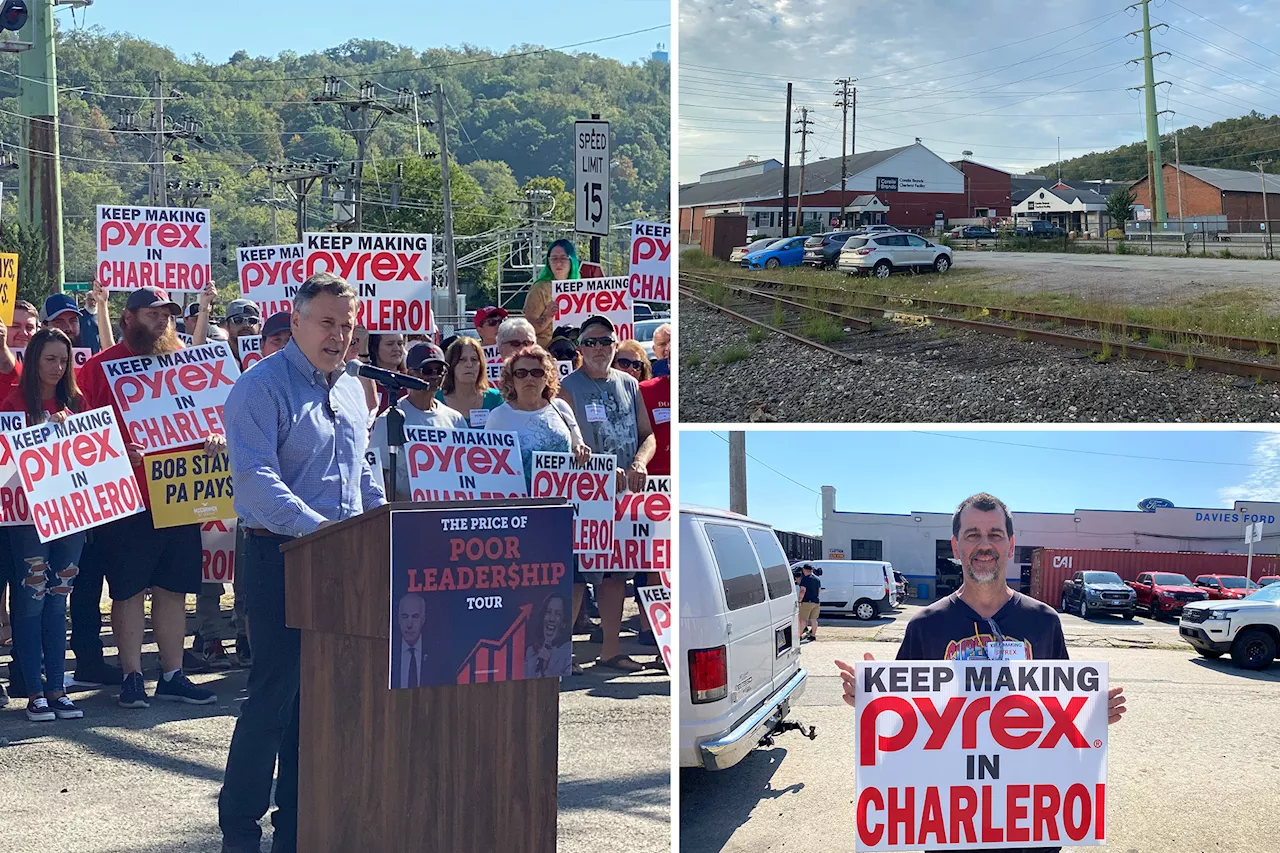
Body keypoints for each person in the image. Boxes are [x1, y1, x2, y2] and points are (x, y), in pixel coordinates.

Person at [836, 492, 1128, 853]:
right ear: (956, 546)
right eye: (973, 534)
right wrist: (871, 699)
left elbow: (1060, 713)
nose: (985, 544)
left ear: (1011, 546)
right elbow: (903, 724)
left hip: (1029, 819)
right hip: (951, 821)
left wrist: (1094, 714)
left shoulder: (1044, 621)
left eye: (995, 534)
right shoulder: (925, 626)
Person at [219, 272, 386, 853]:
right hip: (280, 557)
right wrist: (333, 535)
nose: (338, 335)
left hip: (341, 561)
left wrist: (379, 527)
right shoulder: (259, 387)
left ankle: (295, 829)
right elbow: (259, 486)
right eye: (326, 323)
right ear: (295, 322)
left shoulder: (352, 390)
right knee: (273, 699)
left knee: (319, 708)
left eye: (347, 324)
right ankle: (240, 831)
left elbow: (362, 473)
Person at [77, 286, 225, 708]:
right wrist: (117, 451)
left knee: (173, 589)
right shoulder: (100, 369)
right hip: (126, 499)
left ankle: (173, 674)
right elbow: (81, 433)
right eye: (152, 313)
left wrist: (214, 437)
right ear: (128, 318)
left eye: (168, 314)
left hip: (178, 493)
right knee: (127, 590)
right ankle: (131, 676)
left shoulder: (186, 364)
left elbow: (213, 415)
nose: (162, 320)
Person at [485, 345, 592, 673]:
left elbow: (578, 445)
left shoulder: (560, 409)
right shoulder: (499, 417)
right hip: (522, 518)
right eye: (521, 373)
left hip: (564, 515)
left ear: (547, 376)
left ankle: (562, 648)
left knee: (573, 582)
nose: (529, 379)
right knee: (528, 586)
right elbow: (490, 469)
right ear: (510, 379)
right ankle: (526, 651)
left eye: (536, 372)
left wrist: (582, 450)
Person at [559, 315, 656, 674]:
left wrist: (640, 462)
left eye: (605, 342)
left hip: (624, 498)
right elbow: (566, 442)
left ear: (616, 345)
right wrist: (600, 469)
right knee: (579, 576)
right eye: (591, 342)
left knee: (616, 575)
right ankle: (562, 654)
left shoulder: (630, 384)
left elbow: (648, 434)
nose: (599, 348)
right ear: (580, 348)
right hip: (584, 495)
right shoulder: (567, 388)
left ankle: (611, 651)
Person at [2, 328, 87, 722]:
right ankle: (33, 691)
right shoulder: (13, 402)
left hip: (71, 518)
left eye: (63, 360)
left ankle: (57, 687)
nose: (57, 367)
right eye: (49, 359)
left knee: (58, 601)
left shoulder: (76, 402)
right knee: (31, 602)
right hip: (27, 521)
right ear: (33, 360)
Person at [368, 342, 468, 501]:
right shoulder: (390, 419)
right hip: (406, 514)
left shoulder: (455, 419)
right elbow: (374, 473)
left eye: (440, 370)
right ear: (410, 374)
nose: (435, 375)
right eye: (427, 370)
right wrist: (403, 505)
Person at [523, 240, 605, 349]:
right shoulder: (539, 288)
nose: (558, 263)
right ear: (548, 262)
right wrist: (547, 316)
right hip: (547, 353)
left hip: (577, 352)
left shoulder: (582, 288)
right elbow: (528, 330)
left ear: (572, 260)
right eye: (554, 259)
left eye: (563, 258)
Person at [437, 337, 503, 427]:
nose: (469, 364)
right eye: (462, 360)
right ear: (452, 364)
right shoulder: (436, 400)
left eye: (474, 359)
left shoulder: (496, 399)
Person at [525, 593, 572, 678]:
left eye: (558, 614)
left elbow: (568, 682)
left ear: (564, 622)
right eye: (548, 612)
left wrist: (545, 670)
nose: (551, 619)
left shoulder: (566, 652)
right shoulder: (531, 652)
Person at [391, 593, 427, 689]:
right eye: (405, 617)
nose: (409, 624)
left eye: (415, 617)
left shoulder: (438, 655)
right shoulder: (390, 652)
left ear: (423, 620)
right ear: (398, 619)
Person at [367, 332, 408, 414]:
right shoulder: (364, 382)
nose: (397, 348)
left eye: (400, 344)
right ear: (374, 348)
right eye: (390, 344)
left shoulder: (411, 383)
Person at [221, 299, 262, 364]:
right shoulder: (216, 356)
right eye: (238, 320)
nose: (246, 325)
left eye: (252, 321)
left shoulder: (269, 355)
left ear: (259, 327)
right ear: (227, 325)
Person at [797, 564, 821, 641]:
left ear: (804, 570)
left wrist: (800, 600)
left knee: (803, 620)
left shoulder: (805, 579)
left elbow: (802, 591)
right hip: (816, 601)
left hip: (806, 602)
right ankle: (813, 635)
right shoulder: (817, 579)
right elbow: (819, 590)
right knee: (814, 619)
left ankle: (798, 636)